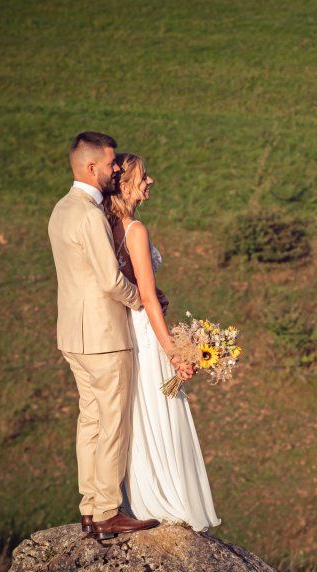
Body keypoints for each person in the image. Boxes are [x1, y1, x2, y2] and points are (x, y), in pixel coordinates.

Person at [47, 132, 160, 540]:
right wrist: (146, 303)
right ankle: (109, 510)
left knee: (91, 421)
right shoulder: (91, 215)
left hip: (73, 337)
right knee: (112, 423)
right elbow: (112, 282)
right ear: (92, 167)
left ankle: (90, 507)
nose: (117, 169)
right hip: (104, 337)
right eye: (112, 164)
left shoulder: (61, 209)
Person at [103, 152, 221, 532]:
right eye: (143, 176)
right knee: (162, 405)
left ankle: (139, 495)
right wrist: (172, 349)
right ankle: (168, 498)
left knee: (141, 410)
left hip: (122, 327)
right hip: (145, 328)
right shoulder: (134, 230)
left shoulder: (106, 226)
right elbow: (149, 297)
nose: (150, 181)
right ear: (125, 184)